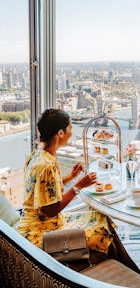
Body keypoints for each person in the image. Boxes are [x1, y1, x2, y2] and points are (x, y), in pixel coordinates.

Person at [15, 108, 114, 256]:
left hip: (36, 225)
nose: (71, 132)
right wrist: (78, 185)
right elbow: (51, 210)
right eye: (70, 128)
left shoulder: (37, 155)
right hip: (41, 233)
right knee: (102, 230)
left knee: (101, 217)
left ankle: (125, 269)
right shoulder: (46, 165)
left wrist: (70, 177)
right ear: (60, 133)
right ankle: (115, 272)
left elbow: (45, 188)